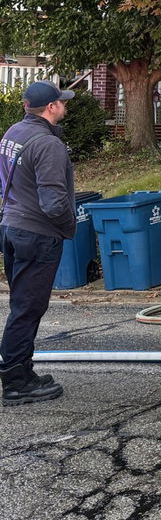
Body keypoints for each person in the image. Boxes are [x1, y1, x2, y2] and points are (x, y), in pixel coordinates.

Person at [0, 81, 77, 406]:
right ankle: (16, 381)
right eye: (62, 102)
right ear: (51, 108)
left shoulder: (13, 133)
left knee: (23, 304)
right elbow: (54, 202)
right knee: (28, 307)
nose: (65, 105)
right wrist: (67, 227)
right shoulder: (47, 145)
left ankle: (22, 370)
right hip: (37, 234)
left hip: (12, 227)